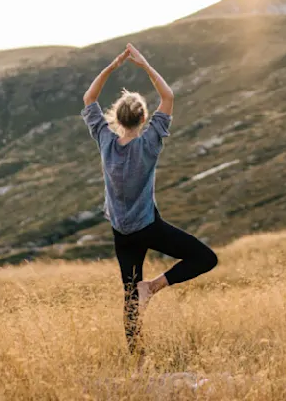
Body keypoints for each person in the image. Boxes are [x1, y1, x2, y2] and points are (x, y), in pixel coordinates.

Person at [81, 43, 218, 355]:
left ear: (115, 117)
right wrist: (143, 64)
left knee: (129, 296)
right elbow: (168, 97)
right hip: (147, 226)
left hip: (121, 232)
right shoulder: (151, 142)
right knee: (205, 258)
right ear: (143, 119)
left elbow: (89, 99)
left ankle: (138, 363)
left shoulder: (104, 140)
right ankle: (153, 287)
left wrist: (112, 67)